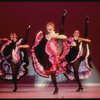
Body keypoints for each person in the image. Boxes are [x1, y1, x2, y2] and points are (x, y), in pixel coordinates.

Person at [31, 21, 70, 94]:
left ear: (53, 27)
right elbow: (41, 46)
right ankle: (56, 88)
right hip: (47, 57)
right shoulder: (45, 36)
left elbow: (65, 37)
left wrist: (55, 36)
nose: (49, 27)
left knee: (53, 72)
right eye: (48, 26)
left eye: (50, 26)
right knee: (52, 73)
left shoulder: (56, 34)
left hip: (54, 57)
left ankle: (56, 88)